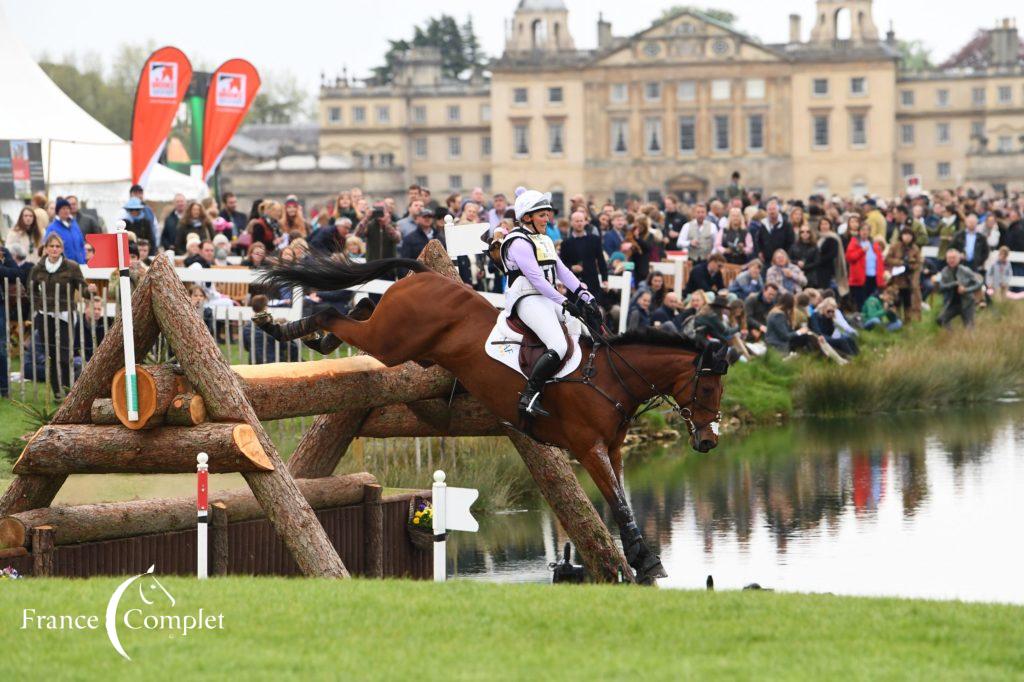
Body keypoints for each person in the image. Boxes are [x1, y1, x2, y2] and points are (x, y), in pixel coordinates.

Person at [501, 187, 603, 418]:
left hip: (547, 297)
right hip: (526, 298)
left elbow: (561, 270)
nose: (548, 219)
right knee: (558, 345)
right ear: (527, 217)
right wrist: (565, 301)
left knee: (583, 331)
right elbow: (536, 279)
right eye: (542, 215)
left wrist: (585, 294)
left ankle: (572, 387)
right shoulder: (517, 241)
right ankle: (529, 396)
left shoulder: (544, 239)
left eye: (548, 214)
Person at [30, 233, 93, 397]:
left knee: (64, 355)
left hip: (65, 315)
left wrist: (89, 291)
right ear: (46, 248)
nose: (54, 249)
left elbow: (82, 288)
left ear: (62, 249)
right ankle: (57, 392)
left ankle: (68, 389)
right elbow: (31, 290)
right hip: (45, 315)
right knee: (51, 356)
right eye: (51, 246)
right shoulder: (38, 267)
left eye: (57, 246)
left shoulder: (71, 266)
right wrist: (38, 307)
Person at [559, 210, 608, 303]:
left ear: (585, 222)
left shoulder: (594, 239)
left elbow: (601, 260)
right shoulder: (566, 243)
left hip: (592, 281)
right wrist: (572, 267)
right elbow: (562, 264)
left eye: (581, 221)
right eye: (577, 221)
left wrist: (605, 279)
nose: (579, 223)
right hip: (574, 283)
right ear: (572, 223)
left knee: (594, 311)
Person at [936, 248, 982, 329]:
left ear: (958, 259)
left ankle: (969, 341)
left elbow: (978, 283)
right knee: (941, 319)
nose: (951, 260)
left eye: (953, 258)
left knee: (969, 327)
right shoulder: (945, 271)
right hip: (952, 303)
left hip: (967, 302)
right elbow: (941, 287)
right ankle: (951, 336)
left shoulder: (965, 270)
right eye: (949, 258)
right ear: (946, 260)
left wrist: (966, 290)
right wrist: (954, 284)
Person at [885, 227, 922, 322]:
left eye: (909, 235)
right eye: (905, 235)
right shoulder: (895, 246)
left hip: (908, 279)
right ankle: (896, 319)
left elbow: (919, 262)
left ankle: (908, 320)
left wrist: (911, 265)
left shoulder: (915, 248)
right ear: (901, 236)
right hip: (896, 278)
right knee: (896, 300)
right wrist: (900, 262)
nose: (907, 237)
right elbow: (887, 259)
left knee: (908, 300)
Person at [846, 222, 885, 308]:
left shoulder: (873, 244)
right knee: (861, 301)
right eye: (863, 230)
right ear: (859, 231)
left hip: (873, 276)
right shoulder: (854, 243)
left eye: (867, 230)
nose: (865, 232)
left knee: (872, 299)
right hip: (860, 278)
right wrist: (862, 251)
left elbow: (879, 260)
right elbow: (849, 257)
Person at [43, 197, 87, 264]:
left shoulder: (74, 225)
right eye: (63, 209)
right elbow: (48, 248)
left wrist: (83, 259)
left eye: (68, 208)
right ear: (58, 211)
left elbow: (81, 244)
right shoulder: (52, 228)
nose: (66, 211)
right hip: (63, 267)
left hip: (80, 264)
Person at [753, 199, 792, 264]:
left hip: (782, 260)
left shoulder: (786, 225)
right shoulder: (763, 225)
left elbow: (790, 242)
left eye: (773, 209)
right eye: (770, 209)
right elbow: (758, 241)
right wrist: (759, 252)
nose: (772, 212)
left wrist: (786, 256)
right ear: (767, 211)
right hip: (766, 261)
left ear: (778, 210)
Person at [816, 217, 847, 296]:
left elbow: (833, 254)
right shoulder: (818, 237)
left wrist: (819, 260)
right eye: (822, 224)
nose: (824, 226)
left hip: (829, 268)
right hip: (818, 268)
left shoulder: (833, 238)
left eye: (826, 224)